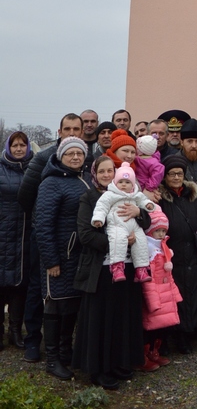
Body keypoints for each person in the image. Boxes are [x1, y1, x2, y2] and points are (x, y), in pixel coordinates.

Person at [73, 156, 151, 389]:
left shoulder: (129, 193)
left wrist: (139, 211)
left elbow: (146, 222)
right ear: (95, 174)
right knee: (102, 319)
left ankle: (119, 361)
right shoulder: (90, 198)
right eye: (103, 171)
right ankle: (99, 369)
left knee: (122, 316)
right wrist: (117, 242)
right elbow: (86, 234)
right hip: (102, 267)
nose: (107, 175)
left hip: (127, 265)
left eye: (111, 171)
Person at [17, 113, 83, 364]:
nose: (73, 132)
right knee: (38, 289)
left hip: (73, 241)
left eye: (76, 129)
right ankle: (33, 340)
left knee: (66, 294)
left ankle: (64, 346)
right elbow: (26, 195)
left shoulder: (83, 159)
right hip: (45, 236)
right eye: (68, 128)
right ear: (59, 131)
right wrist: (42, 219)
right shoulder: (45, 158)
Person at [35, 137, 91, 380]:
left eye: (80, 153)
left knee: (71, 304)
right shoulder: (51, 183)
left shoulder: (85, 179)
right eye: (70, 154)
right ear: (60, 156)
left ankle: (66, 351)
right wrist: (51, 260)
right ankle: (53, 358)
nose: (76, 157)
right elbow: (43, 225)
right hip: (60, 256)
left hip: (80, 255)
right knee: (55, 304)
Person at [158, 156, 197, 352]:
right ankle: (175, 335)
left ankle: (190, 333)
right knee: (175, 297)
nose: (176, 177)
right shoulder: (160, 198)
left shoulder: (192, 196)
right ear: (165, 176)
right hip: (171, 256)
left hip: (193, 253)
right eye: (172, 174)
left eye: (179, 174)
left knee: (194, 294)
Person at [91, 165, 154, 283]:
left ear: (133, 184)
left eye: (127, 182)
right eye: (120, 182)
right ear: (115, 183)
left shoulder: (136, 194)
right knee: (117, 241)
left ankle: (141, 269)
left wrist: (147, 206)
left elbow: (144, 201)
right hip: (117, 225)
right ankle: (117, 268)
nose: (124, 184)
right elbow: (101, 207)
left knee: (141, 243)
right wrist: (98, 219)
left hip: (134, 226)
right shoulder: (110, 194)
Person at [0, 132, 33, 349]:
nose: (19, 149)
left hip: (25, 234)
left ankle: (15, 330)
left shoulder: (34, 168)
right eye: (15, 145)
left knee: (21, 285)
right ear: (8, 147)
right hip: (3, 231)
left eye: (22, 145)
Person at [141, 209, 182, 368]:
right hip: (154, 294)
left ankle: (154, 351)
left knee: (162, 326)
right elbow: (147, 277)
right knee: (150, 325)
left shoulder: (164, 248)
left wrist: (175, 294)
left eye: (163, 231)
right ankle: (144, 354)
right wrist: (152, 299)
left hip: (165, 293)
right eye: (157, 230)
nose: (160, 234)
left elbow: (168, 275)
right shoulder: (150, 249)